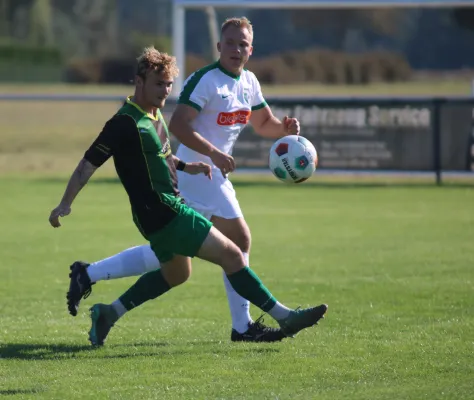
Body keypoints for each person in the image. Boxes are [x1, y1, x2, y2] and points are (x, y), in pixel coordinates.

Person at [58, 18, 326, 344]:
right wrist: (211, 154)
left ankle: (102, 298)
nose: (236, 49)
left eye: (242, 44)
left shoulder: (248, 82)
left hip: (206, 175)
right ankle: (265, 322)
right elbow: (180, 126)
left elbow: (264, 123)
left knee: (177, 268)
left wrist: (284, 130)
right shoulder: (204, 81)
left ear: (251, 49)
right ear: (219, 46)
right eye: (230, 43)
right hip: (194, 180)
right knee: (233, 249)